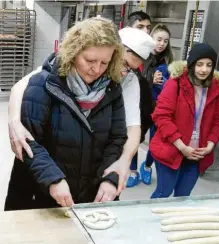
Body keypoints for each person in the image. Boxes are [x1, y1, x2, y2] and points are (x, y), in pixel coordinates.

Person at [7, 22, 156, 209]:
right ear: (74, 52)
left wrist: (111, 176)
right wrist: (53, 179)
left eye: (105, 62)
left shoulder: (113, 88)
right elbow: (30, 140)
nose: (97, 69)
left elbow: (118, 137)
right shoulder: (46, 83)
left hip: (88, 192)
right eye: (90, 60)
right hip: (42, 192)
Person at [149, 43, 219, 199]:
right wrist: (181, 146)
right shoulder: (176, 84)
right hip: (171, 149)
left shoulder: (217, 90)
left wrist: (210, 145)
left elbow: (218, 121)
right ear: (192, 64)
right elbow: (161, 116)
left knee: (183, 196)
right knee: (163, 193)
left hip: (197, 154)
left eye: (209, 65)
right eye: (199, 64)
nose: (204, 69)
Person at [126, 23, 173, 187]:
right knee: (135, 139)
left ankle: (146, 166)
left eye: (165, 41)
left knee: (155, 143)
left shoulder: (169, 62)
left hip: (160, 109)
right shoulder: (142, 58)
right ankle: (132, 171)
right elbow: (133, 81)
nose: (161, 44)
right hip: (141, 107)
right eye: (159, 39)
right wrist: (150, 81)